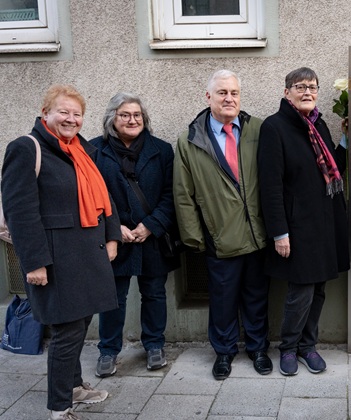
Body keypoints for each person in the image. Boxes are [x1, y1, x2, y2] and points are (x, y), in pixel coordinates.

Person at [1, 85, 120, 420]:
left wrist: (112, 237)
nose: (71, 119)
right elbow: (19, 211)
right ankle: (59, 406)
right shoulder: (27, 148)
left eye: (77, 113)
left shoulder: (80, 150)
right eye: (63, 112)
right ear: (46, 113)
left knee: (80, 324)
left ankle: (75, 386)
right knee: (67, 331)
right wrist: (34, 261)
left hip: (87, 254)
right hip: (56, 259)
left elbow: (104, 198)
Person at [173, 70, 271, 380]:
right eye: (222, 93)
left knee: (257, 296)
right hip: (219, 237)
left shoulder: (257, 129)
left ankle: (257, 348)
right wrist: (195, 239)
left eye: (234, 93)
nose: (229, 98)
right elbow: (183, 194)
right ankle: (225, 352)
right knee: (223, 299)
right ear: (208, 97)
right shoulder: (190, 140)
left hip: (257, 233)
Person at [258, 67, 350, 376]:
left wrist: (349, 142)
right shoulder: (275, 127)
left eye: (312, 86)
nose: (307, 91)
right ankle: (288, 348)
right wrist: (279, 232)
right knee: (301, 291)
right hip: (296, 227)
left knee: (320, 288)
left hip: (324, 222)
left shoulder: (318, 124)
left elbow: (330, 166)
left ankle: (308, 346)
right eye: (300, 87)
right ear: (287, 93)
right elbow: (269, 185)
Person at [91, 92, 180, 377]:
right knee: (112, 297)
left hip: (151, 237)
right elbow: (91, 198)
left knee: (154, 293)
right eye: (125, 115)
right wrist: (113, 229)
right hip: (114, 238)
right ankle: (108, 350)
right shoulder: (94, 151)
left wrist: (151, 225)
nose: (132, 120)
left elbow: (171, 195)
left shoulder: (162, 150)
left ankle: (154, 345)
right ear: (112, 120)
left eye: (137, 115)